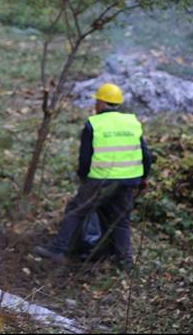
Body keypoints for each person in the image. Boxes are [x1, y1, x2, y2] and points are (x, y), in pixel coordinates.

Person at [34, 83, 151, 271]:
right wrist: (144, 177)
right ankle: (125, 262)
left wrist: (84, 178)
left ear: (102, 102)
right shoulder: (132, 122)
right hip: (130, 179)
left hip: (102, 179)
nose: (95, 105)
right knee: (121, 220)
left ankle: (57, 249)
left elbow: (85, 158)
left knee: (76, 209)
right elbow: (146, 154)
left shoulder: (94, 124)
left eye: (97, 101)